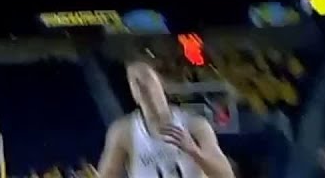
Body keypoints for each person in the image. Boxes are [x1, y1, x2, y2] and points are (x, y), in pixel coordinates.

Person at [96, 61, 234, 178]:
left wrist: (194, 151)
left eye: (147, 78)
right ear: (132, 93)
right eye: (134, 81)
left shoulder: (195, 124)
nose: (142, 84)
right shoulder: (122, 131)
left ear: (161, 83)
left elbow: (226, 175)